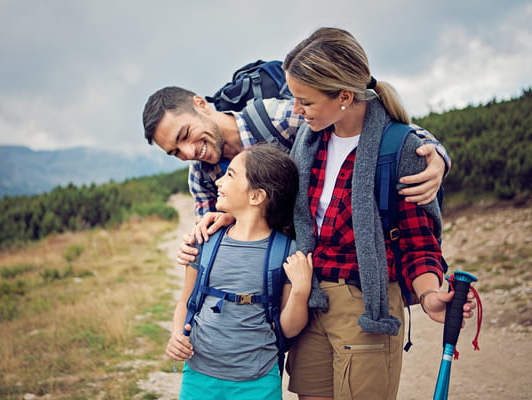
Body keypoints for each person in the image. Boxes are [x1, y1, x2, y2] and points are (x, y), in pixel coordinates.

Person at [180, 27, 477, 400]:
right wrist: (229, 217)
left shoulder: (400, 149)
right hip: (310, 302)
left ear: (344, 96)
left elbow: (419, 243)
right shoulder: (308, 140)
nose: (297, 110)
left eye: (305, 101)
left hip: (365, 309)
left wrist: (431, 293)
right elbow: (274, 203)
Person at [143, 85, 450, 221]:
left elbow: (365, 120)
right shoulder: (201, 177)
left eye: (185, 135)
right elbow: (210, 235)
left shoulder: (278, 118)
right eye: (175, 152)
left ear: (200, 104)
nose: (188, 152)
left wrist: (432, 151)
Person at [165, 144, 312, 400]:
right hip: (199, 374)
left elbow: (288, 329)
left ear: (256, 196)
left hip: (258, 381)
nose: (220, 181)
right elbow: (185, 301)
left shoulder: (287, 251)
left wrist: (300, 290)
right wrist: (176, 334)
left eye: (231, 174)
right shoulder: (205, 240)